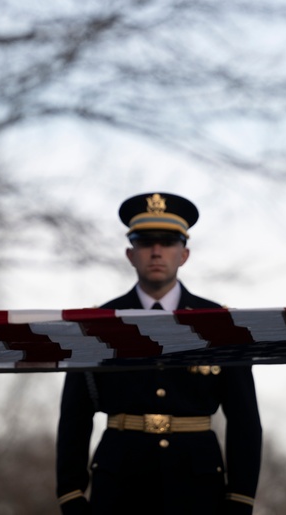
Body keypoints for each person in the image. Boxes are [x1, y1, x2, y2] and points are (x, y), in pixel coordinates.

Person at [56, 192, 263, 514]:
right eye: (145, 241)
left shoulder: (220, 324)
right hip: (118, 487)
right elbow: (74, 417)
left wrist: (240, 498)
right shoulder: (97, 324)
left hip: (198, 488)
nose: (156, 251)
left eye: (167, 241)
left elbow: (244, 420)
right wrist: (70, 493)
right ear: (130, 253)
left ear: (184, 254)